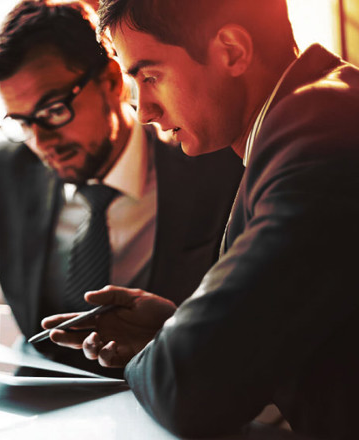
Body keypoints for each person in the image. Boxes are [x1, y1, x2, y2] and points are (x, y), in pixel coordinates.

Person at [43, 0, 359, 438]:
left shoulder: (317, 135)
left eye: (149, 76)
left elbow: (187, 388)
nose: (143, 110)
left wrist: (175, 352)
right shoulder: (308, 118)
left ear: (232, 50)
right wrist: (174, 331)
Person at [0, 0, 243, 381]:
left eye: (54, 111)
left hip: (160, 404)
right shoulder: (1, 172)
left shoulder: (214, 168)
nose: (41, 142)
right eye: (22, 123)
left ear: (111, 80)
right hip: (37, 407)